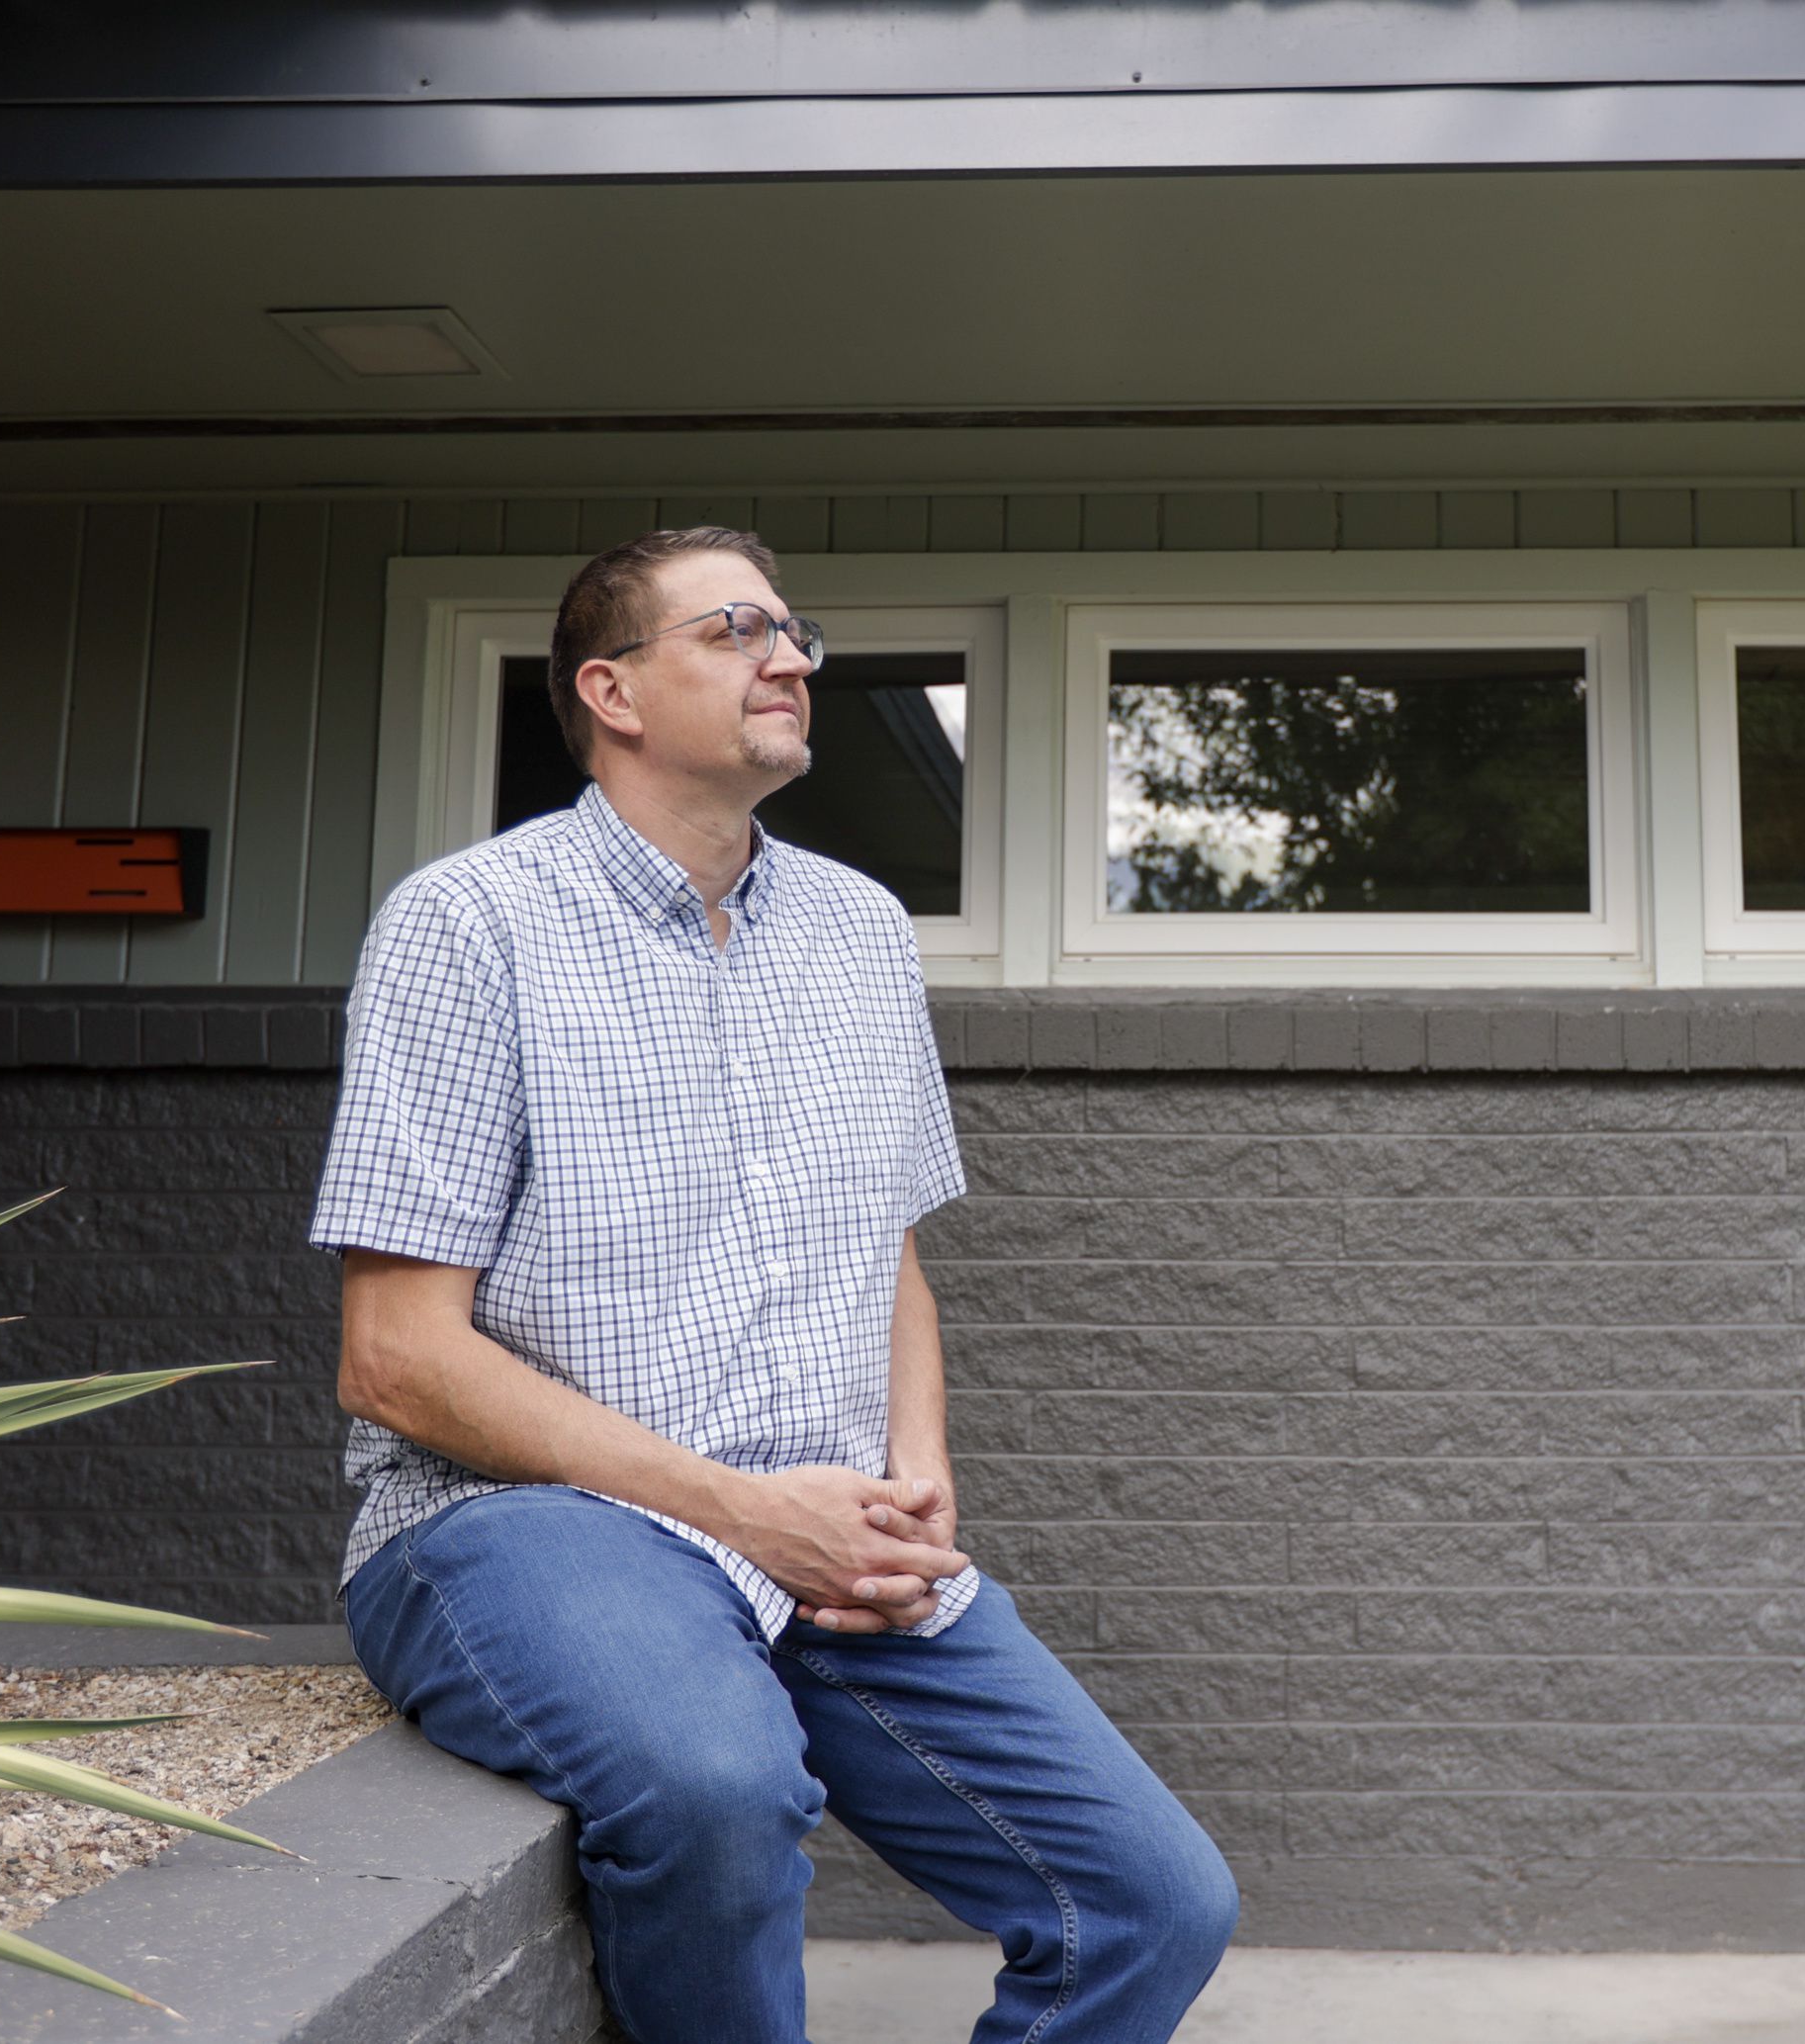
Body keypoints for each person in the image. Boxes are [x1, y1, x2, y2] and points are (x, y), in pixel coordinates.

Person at [310, 527, 1238, 2044]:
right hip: (528, 1526)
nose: (793, 657)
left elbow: (889, 1253)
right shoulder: (468, 925)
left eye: (794, 630)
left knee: (1152, 1901)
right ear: (610, 689)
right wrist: (740, 1511)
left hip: (823, 1527)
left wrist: (911, 1483)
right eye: (737, 630)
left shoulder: (861, 932)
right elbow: (395, 1360)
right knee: (719, 1792)